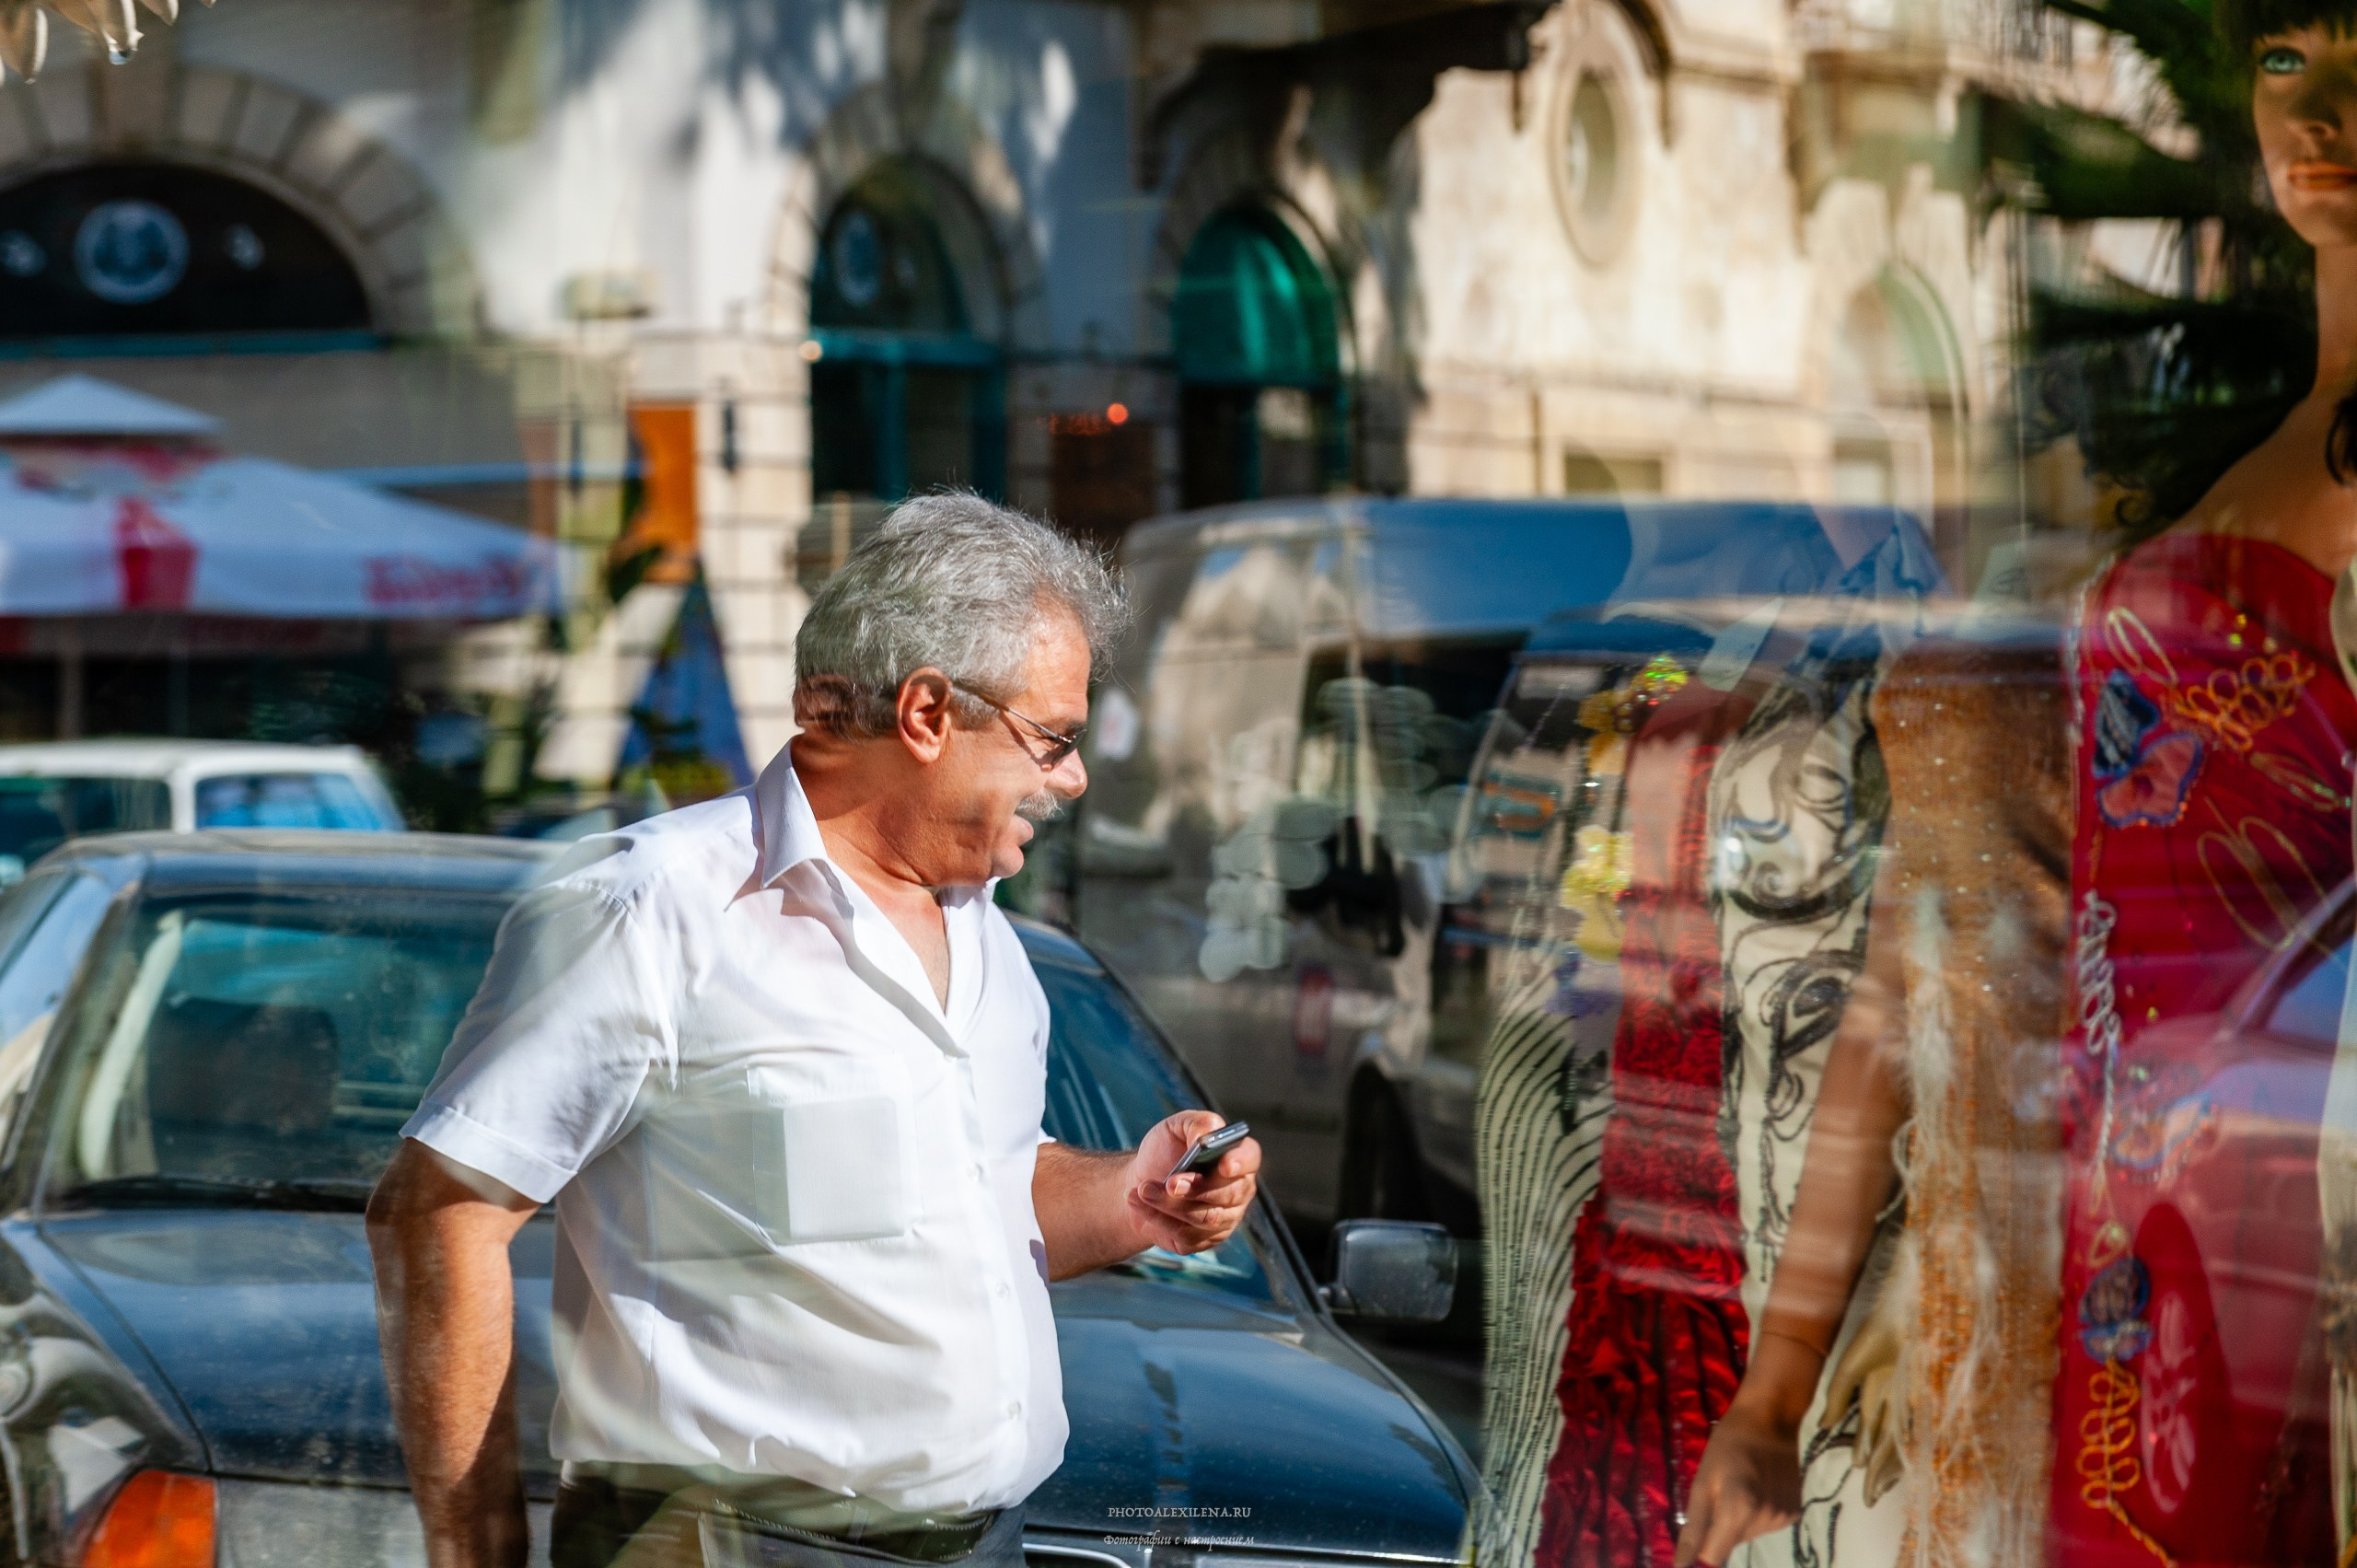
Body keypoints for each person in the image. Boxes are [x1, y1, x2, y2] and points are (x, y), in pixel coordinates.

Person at [1682, 4, 2357, 1562]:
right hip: (2131, 1224)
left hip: (2272, 1233)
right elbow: (1937, 936)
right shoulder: (2255, 461)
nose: (2316, 112)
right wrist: (1776, 1382)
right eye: (2283, 62)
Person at [366, 494, 1263, 1568]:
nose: (1070, 775)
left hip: (985, 1543)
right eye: (1051, 736)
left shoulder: (990, 940)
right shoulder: (656, 909)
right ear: (928, 713)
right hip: (721, 1545)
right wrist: (479, 1555)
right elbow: (440, 1211)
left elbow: (974, 1198)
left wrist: (1134, 1198)